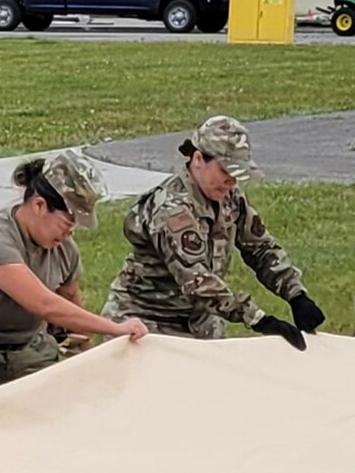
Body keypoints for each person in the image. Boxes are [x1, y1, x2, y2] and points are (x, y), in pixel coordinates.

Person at [0, 150, 146, 401]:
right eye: (67, 224)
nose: (69, 235)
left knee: (63, 412)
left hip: (27, 350)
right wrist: (115, 328)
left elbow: (69, 312)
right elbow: (44, 304)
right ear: (39, 205)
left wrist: (91, 361)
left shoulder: (64, 252)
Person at [102, 115, 321, 349]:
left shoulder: (230, 197)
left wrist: (296, 294)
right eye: (225, 171)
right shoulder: (172, 209)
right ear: (198, 159)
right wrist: (257, 318)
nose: (230, 181)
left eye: (236, 175)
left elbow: (260, 248)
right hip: (145, 322)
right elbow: (197, 281)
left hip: (199, 323)